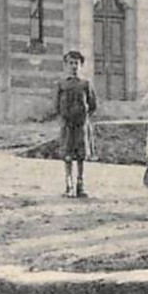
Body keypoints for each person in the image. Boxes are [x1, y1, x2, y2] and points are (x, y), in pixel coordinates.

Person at [56, 50, 97, 198]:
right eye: (71, 63)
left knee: (80, 156)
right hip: (67, 125)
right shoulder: (62, 84)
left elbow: (92, 104)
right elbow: (57, 105)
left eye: (76, 63)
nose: (74, 66)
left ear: (81, 65)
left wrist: (83, 116)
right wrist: (64, 117)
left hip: (81, 125)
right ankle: (68, 185)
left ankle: (80, 185)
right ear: (66, 65)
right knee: (67, 156)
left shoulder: (85, 83)